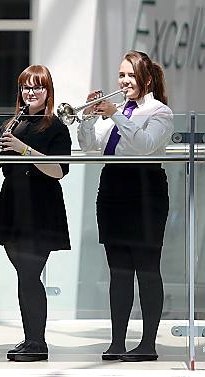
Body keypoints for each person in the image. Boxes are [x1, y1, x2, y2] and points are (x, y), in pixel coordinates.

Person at [77, 50, 173, 362]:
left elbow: (144, 147)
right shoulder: (117, 111)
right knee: (118, 270)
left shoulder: (160, 112)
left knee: (146, 268)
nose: (124, 81)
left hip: (145, 189)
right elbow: (90, 146)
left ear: (146, 79)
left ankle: (148, 344)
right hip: (113, 188)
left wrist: (115, 113)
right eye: (121, 75)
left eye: (130, 76)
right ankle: (117, 341)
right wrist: (89, 117)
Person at [0, 65, 71, 362]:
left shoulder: (56, 127)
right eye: (25, 87)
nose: (30, 93)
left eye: (37, 87)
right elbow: (0, 164)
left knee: (30, 273)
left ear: (48, 92)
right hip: (13, 202)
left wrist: (23, 150)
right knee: (24, 274)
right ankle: (31, 338)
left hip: (40, 204)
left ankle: (37, 342)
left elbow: (58, 170)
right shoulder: (11, 124)